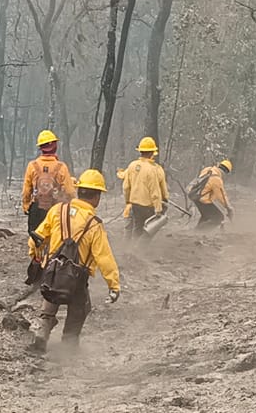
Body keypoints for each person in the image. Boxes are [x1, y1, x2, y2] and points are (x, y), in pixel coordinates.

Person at [27, 169, 120, 354]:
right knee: (80, 308)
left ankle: (42, 333)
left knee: (50, 297)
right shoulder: (94, 223)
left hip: (52, 270)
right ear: (97, 197)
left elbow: (36, 237)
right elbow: (104, 257)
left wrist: (35, 256)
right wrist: (114, 285)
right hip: (77, 278)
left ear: (79, 191)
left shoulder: (57, 210)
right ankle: (68, 347)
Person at [22, 129, 76, 234]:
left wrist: (26, 206)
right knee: (55, 240)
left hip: (36, 210)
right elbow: (69, 191)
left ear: (40, 147)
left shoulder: (32, 166)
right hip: (55, 210)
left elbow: (26, 191)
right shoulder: (61, 167)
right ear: (55, 146)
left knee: (35, 240)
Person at [121, 137, 168, 237]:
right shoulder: (153, 169)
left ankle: (133, 249)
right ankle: (140, 250)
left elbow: (126, 187)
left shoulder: (132, 166)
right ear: (152, 153)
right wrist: (159, 208)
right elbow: (155, 191)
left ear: (140, 151)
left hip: (135, 205)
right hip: (148, 207)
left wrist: (128, 201)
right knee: (148, 232)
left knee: (137, 228)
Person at [196, 159, 234, 229]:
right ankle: (199, 231)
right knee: (219, 218)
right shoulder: (217, 179)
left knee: (206, 215)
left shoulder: (207, 169)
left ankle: (196, 231)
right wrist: (229, 208)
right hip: (203, 200)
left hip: (195, 195)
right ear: (226, 171)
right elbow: (222, 197)